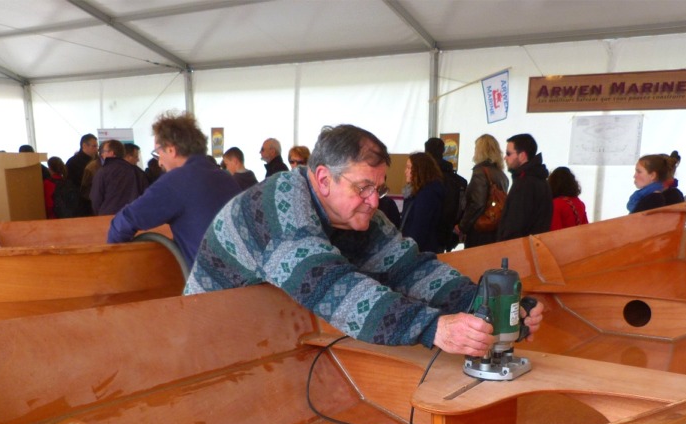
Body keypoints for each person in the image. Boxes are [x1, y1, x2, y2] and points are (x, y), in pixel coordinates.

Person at [185, 124, 544, 355]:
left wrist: (486, 306)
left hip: (266, 333)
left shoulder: (354, 213)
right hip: (205, 339)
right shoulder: (283, 210)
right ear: (323, 179)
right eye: (364, 187)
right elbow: (331, 285)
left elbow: (410, 269)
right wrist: (433, 327)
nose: (375, 201)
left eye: (379, 187)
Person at [107, 111, 241, 267]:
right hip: (249, 281)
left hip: (212, 285)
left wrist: (112, 261)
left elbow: (126, 220)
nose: (159, 162)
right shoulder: (225, 178)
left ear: (171, 150)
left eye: (158, 152)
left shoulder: (177, 181)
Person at [497, 133, 553, 241]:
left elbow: (515, 223)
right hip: (533, 247)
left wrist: (503, 246)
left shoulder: (525, 183)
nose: (505, 158)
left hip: (519, 250)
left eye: (508, 154)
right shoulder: (540, 180)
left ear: (522, 156)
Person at [457, 134, 508, 249]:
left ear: (480, 151)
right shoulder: (502, 175)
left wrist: (462, 226)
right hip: (495, 228)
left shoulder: (480, 172)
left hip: (481, 230)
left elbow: (477, 204)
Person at [424, 137, 467, 251]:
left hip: (428, 234)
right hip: (448, 233)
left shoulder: (426, 177)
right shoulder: (457, 180)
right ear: (443, 151)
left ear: (426, 151)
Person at [400, 152, 446, 253]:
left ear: (419, 170)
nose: (405, 171)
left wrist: (408, 252)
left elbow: (419, 228)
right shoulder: (420, 192)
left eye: (409, 168)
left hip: (421, 251)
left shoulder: (426, 195)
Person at [91, 139, 149, 216]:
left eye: (103, 152)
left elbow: (96, 198)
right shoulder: (137, 171)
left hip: (108, 216)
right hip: (132, 215)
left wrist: (100, 213)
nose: (101, 154)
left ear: (111, 153)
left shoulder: (102, 172)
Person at [66, 133, 99, 215]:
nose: (96, 149)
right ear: (84, 145)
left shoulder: (98, 161)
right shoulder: (73, 162)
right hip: (81, 203)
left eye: (97, 146)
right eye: (94, 146)